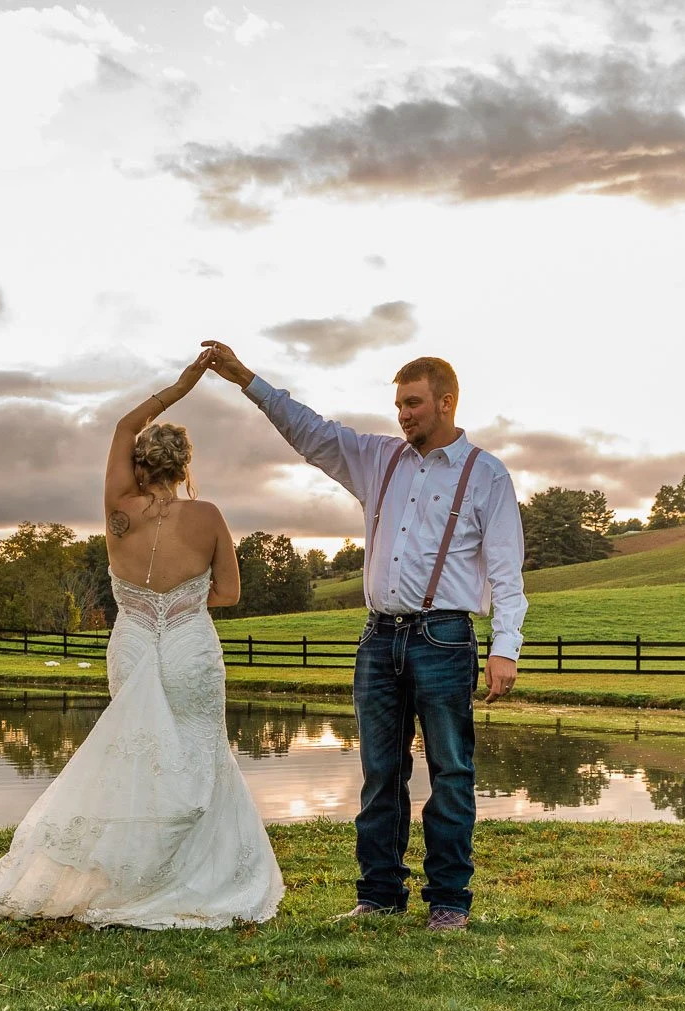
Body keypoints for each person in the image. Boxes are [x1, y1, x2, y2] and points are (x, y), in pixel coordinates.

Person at [200, 340, 526, 933]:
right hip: (378, 637)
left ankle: (448, 902)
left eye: (413, 403)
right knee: (380, 772)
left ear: (446, 402)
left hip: (445, 637)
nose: (403, 415)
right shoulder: (379, 459)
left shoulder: (486, 474)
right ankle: (379, 894)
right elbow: (311, 431)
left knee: (451, 772)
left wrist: (505, 647)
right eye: (398, 405)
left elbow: (507, 570)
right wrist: (248, 380)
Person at [0, 349, 285, 929]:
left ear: (138, 464)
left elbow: (122, 424)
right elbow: (230, 594)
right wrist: (182, 602)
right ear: (184, 468)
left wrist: (181, 385)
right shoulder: (208, 516)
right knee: (197, 756)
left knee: (137, 760)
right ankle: (191, 877)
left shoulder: (118, 509)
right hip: (188, 646)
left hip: (132, 643)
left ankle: (131, 877)